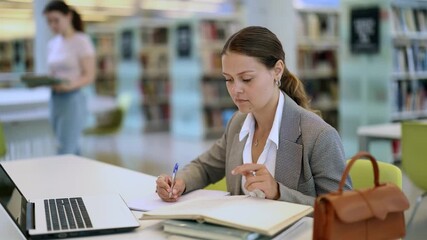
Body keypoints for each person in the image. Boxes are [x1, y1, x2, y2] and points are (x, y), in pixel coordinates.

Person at [156, 26, 352, 206]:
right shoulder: (237, 123)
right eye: (228, 79)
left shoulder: (318, 135)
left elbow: (343, 209)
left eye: (246, 79)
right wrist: (179, 181)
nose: (235, 90)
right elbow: (205, 167)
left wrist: (278, 192)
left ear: (277, 71)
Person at [44, 1, 96, 154]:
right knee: (70, 147)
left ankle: (64, 177)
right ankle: (78, 177)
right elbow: (54, 72)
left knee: (65, 149)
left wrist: (69, 85)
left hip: (72, 99)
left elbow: (89, 76)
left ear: (68, 16)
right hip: (55, 98)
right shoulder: (52, 43)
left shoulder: (82, 41)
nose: (53, 25)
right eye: (49, 21)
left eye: (56, 20)